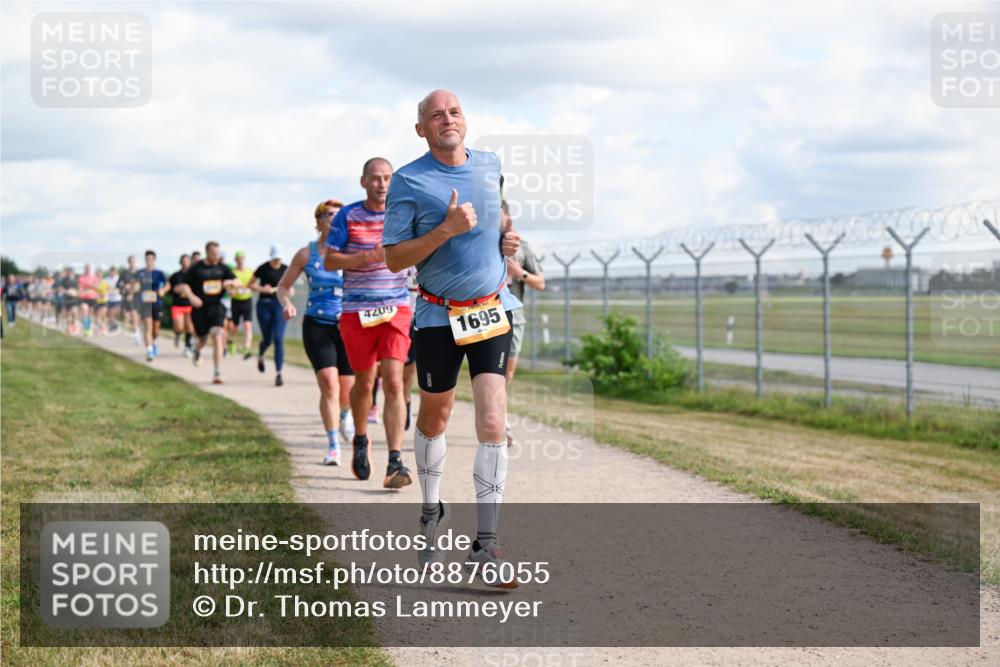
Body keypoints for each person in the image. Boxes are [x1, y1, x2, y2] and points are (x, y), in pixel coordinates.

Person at [382, 89, 521, 583]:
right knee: (435, 417)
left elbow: (497, 216)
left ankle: (486, 544)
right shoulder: (408, 180)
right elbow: (394, 258)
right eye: (436, 115)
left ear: (466, 120)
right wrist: (445, 230)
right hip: (439, 315)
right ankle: (431, 509)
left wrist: (506, 239)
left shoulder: (490, 164)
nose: (448, 119)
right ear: (421, 129)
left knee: (492, 419)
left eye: (455, 111)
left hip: (491, 308)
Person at [325, 157, 413, 489]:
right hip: (357, 311)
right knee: (364, 383)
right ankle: (361, 438)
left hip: (395, 308)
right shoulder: (348, 215)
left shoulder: (403, 215)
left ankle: (395, 460)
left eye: (387, 178)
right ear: (363, 181)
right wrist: (365, 257)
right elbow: (330, 260)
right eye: (375, 178)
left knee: (394, 381)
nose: (382, 184)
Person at [278, 199, 357, 465]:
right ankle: (333, 445)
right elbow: (283, 286)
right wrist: (287, 304)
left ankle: (345, 415)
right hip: (317, 324)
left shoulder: (352, 251)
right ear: (318, 221)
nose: (333, 218)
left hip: (348, 325)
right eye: (328, 214)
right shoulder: (306, 254)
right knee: (328, 384)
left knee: (348, 391)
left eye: (338, 214)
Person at [500, 200, 545, 445]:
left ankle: (498, 415)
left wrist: (519, 272)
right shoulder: (482, 245)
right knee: (490, 373)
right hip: (486, 316)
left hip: (514, 319)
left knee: (506, 374)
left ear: (508, 219)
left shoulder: (523, 248)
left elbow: (541, 283)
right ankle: (500, 422)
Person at [178, 241, 236, 384]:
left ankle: (217, 372)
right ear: (207, 252)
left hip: (216, 307)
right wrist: (191, 297)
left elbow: (238, 282)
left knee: (217, 334)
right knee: (203, 339)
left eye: (218, 253)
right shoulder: (196, 268)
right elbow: (184, 285)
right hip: (200, 308)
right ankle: (197, 350)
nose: (216, 256)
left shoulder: (223, 268)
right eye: (213, 253)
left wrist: (231, 283)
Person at [252, 246, 289, 386]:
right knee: (267, 339)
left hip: (280, 305)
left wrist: (286, 291)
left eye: (278, 258)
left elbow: (291, 289)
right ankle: (261, 355)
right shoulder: (263, 268)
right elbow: (250, 284)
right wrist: (262, 289)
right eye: (274, 258)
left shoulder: (286, 269)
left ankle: (279, 373)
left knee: (278, 339)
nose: (276, 261)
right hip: (264, 305)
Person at [137, 250, 167, 361]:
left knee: (156, 330)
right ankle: (149, 351)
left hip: (157, 304)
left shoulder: (159, 273)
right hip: (145, 304)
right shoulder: (140, 273)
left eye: (151, 259)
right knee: (148, 328)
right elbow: (134, 285)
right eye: (147, 259)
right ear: (145, 260)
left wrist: (163, 290)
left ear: (154, 260)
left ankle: (152, 343)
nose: (149, 261)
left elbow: (166, 285)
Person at [230, 251, 255, 359]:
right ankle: (230, 341)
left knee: (248, 325)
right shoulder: (232, 272)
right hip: (236, 301)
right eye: (238, 259)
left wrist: (252, 288)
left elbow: (253, 285)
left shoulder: (250, 271)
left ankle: (246, 348)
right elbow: (229, 288)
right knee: (235, 327)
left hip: (247, 300)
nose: (240, 261)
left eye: (242, 259)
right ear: (235, 260)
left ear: (244, 259)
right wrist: (232, 291)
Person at [169, 254, 195, 356]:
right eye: (183, 261)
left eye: (187, 260)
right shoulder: (175, 276)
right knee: (179, 327)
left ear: (190, 262)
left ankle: (188, 347)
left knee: (189, 327)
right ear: (180, 262)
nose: (185, 262)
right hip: (177, 304)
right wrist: (176, 290)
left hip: (190, 304)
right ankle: (178, 334)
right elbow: (170, 289)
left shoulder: (194, 275)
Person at [117, 255, 142, 344]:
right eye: (130, 261)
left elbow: (141, 285)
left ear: (135, 262)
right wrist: (124, 287)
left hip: (136, 297)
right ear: (128, 262)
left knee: (134, 315)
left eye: (133, 261)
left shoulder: (139, 273)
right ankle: (135, 331)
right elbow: (118, 284)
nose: (132, 263)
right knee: (128, 316)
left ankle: (136, 333)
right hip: (126, 297)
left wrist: (132, 291)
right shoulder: (124, 273)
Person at [78, 264, 99, 337]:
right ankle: (86, 330)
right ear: (84, 269)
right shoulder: (81, 277)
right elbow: (80, 287)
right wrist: (80, 292)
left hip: (92, 297)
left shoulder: (94, 277)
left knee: (90, 315)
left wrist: (90, 285)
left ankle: (89, 329)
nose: (87, 270)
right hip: (84, 297)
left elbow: (96, 287)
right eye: (86, 268)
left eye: (88, 268)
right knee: (85, 312)